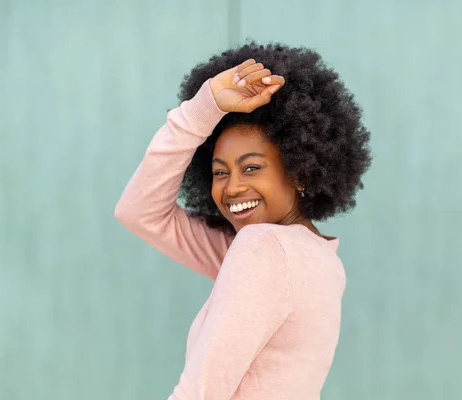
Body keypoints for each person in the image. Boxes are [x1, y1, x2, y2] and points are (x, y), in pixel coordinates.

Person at [115, 41, 372, 399]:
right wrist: (208, 107)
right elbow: (139, 212)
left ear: (299, 172)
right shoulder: (318, 258)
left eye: (252, 167)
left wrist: (202, 110)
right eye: (220, 173)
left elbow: (201, 392)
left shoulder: (264, 250)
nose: (233, 187)